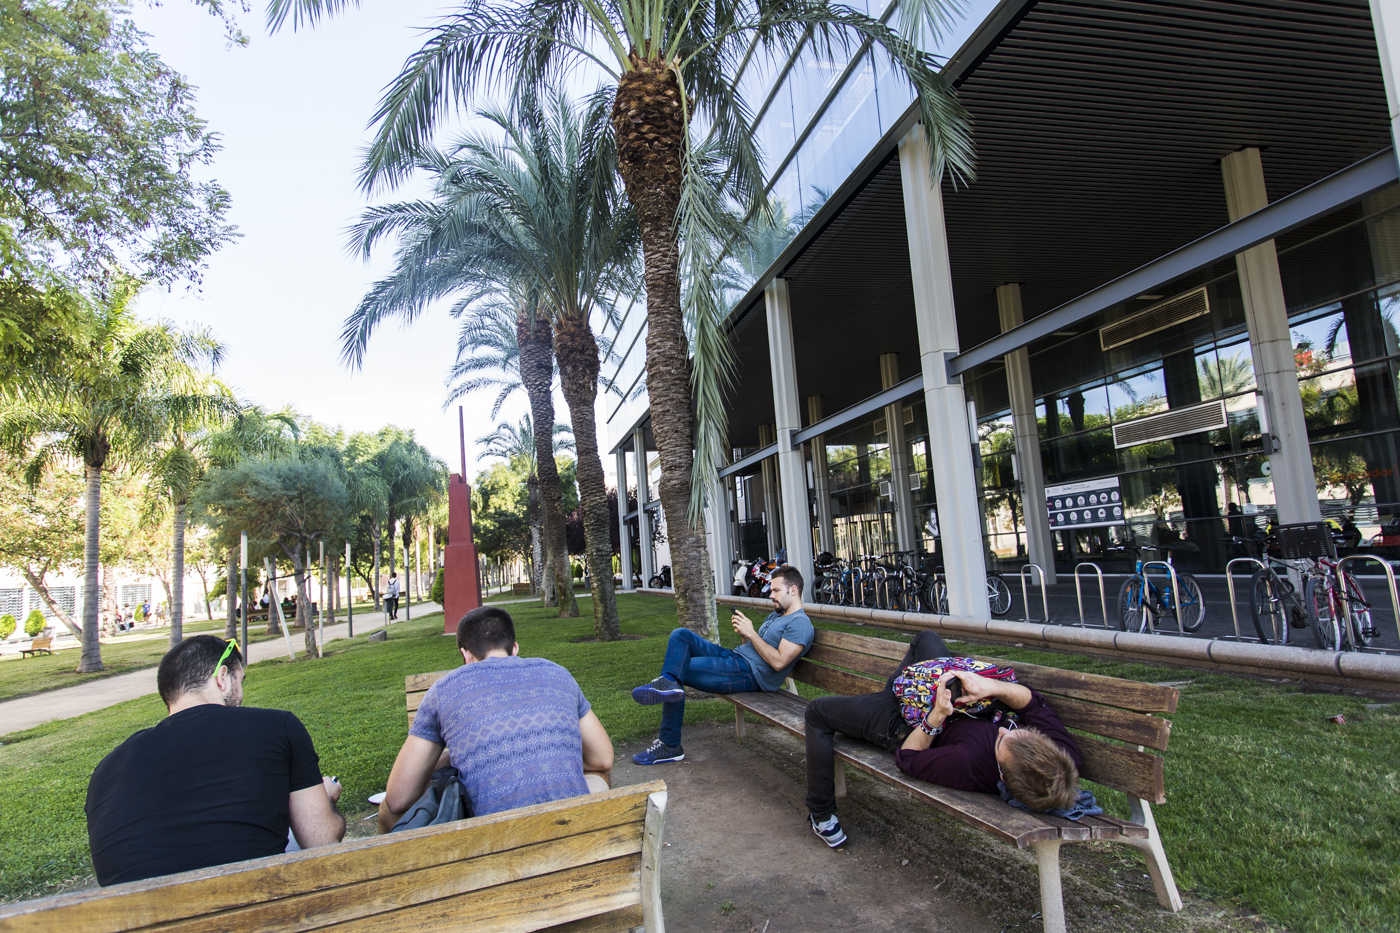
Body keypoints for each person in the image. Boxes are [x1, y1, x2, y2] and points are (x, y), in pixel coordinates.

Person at [85, 636, 344, 884]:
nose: (241, 694)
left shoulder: (106, 770)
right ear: (222, 678)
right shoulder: (278, 726)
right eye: (241, 680)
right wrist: (327, 799)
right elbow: (322, 841)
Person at [803, 630, 1081, 848]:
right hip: (939, 692)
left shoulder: (967, 763)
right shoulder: (1061, 755)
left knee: (816, 712)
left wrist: (936, 716)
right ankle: (900, 688)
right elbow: (1032, 703)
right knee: (926, 639)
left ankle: (822, 814)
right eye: (1016, 728)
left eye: (1001, 742)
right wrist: (991, 686)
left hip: (902, 722)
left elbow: (908, 757)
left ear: (1003, 777)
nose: (1002, 729)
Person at [377, 606, 613, 831]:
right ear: (515, 648)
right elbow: (602, 759)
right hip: (571, 833)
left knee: (387, 811)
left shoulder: (443, 690)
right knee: (599, 776)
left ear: (465, 655)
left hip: (491, 847)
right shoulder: (557, 673)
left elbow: (398, 799)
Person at [629, 565, 815, 765]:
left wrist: (752, 633)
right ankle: (668, 688)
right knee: (680, 635)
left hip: (749, 675)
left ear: (793, 590)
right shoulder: (778, 615)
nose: (771, 595)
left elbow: (779, 662)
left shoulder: (800, 624)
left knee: (678, 669)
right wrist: (746, 635)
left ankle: (669, 743)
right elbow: (757, 649)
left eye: (776, 590)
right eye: (771, 590)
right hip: (735, 659)